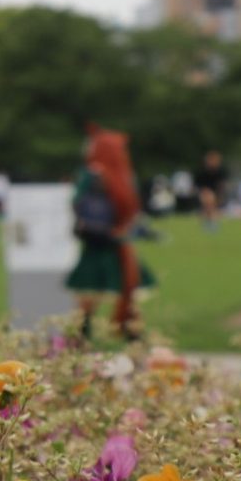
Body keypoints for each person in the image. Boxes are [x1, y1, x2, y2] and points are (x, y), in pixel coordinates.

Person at [67, 126, 154, 341]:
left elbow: (76, 202)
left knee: (89, 294)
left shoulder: (91, 173)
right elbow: (133, 207)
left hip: (98, 240)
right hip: (118, 240)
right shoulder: (125, 175)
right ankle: (132, 335)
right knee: (126, 289)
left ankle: (79, 339)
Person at [195, 150, 227, 233]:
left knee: (212, 208)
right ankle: (208, 224)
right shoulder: (202, 172)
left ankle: (212, 224)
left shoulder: (220, 172)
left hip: (215, 192)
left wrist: (220, 196)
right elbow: (199, 185)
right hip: (205, 192)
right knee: (207, 206)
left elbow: (221, 186)